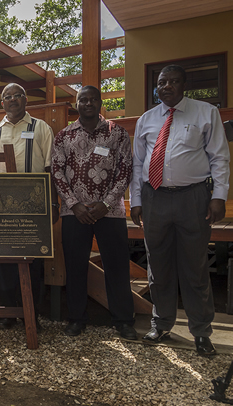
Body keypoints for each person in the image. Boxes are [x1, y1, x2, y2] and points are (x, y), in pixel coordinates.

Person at [130, 65, 230, 356]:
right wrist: (136, 200)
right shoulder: (147, 119)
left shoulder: (205, 113)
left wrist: (219, 196)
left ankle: (201, 331)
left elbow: (219, 157)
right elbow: (138, 164)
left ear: (184, 85)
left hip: (194, 198)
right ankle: (161, 324)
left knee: (195, 266)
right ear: (156, 87)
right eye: (162, 82)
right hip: (154, 198)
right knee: (158, 266)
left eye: (173, 81)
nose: (167, 86)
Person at [51, 85, 137, 340]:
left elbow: (125, 171)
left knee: (117, 266)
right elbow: (57, 172)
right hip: (74, 212)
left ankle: (123, 320)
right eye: (82, 100)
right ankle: (77, 318)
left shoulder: (118, 134)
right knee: (75, 267)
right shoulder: (64, 136)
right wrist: (74, 204)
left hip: (109, 212)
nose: (88, 103)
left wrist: (106, 204)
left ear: (100, 103)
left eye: (92, 99)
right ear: (76, 104)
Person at [0, 83, 57, 330]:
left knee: (32, 262)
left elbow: (50, 168)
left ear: (25, 99)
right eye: (7, 97)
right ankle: (7, 312)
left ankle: (30, 314)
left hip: (33, 206)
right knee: (3, 262)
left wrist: (53, 203)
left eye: (17, 96)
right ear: (2, 103)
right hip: (0, 208)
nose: (12, 100)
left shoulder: (41, 128)